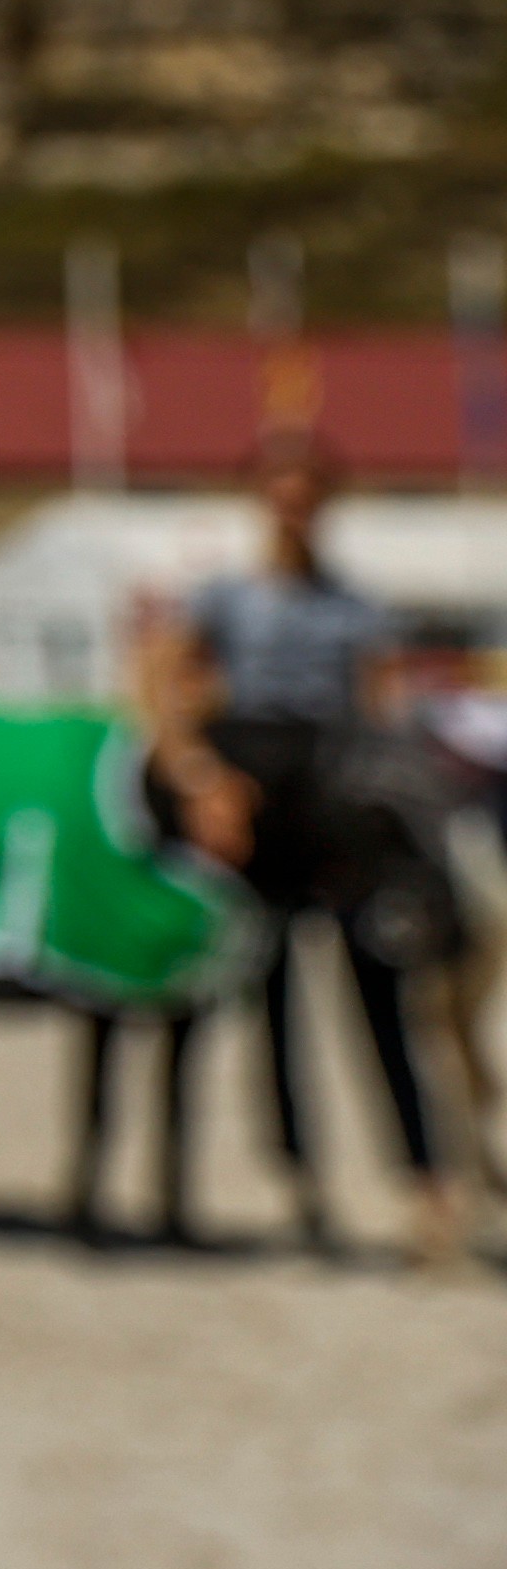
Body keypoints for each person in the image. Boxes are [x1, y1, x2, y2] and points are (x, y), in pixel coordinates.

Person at [145, 429, 461, 1260]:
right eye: (281, 486)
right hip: (255, 796)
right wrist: (200, 776)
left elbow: (381, 710)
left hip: (334, 791)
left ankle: (425, 1180)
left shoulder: (354, 605)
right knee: (266, 994)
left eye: (308, 487)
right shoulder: (227, 599)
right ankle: (298, 1177)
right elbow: (166, 689)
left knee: (380, 988)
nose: (294, 504)